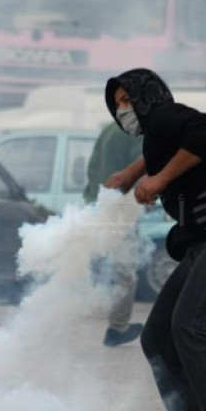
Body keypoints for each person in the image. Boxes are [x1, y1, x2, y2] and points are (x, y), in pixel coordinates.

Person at [103, 68, 206, 411]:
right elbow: (163, 152)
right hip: (204, 245)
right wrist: (132, 175)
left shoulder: (164, 116)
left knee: (188, 328)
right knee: (156, 338)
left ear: (147, 96)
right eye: (118, 105)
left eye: (127, 101)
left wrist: (159, 178)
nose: (123, 111)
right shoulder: (157, 133)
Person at [83, 122, 144, 347]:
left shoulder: (110, 128)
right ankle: (118, 327)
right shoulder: (139, 130)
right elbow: (143, 164)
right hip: (120, 209)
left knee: (84, 262)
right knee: (125, 268)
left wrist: (91, 199)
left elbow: (92, 168)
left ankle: (54, 313)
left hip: (97, 204)